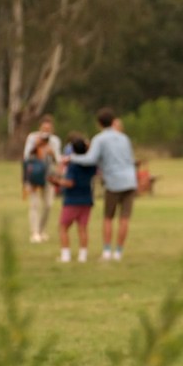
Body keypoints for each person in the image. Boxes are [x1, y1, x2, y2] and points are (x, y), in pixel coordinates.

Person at [64, 107, 137, 261]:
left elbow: (90, 159)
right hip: (130, 180)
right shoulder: (124, 138)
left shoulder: (100, 139)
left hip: (113, 182)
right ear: (113, 121)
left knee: (108, 217)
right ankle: (118, 253)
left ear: (99, 123)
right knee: (124, 218)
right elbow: (130, 159)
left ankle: (107, 252)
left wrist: (71, 158)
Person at [51, 135, 96, 263]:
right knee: (82, 228)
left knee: (63, 227)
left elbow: (70, 183)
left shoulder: (73, 165)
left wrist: (57, 181)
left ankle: (65, 255)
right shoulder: (91, 165)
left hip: (72, 200)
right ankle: (83, 256)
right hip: (87, 199)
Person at [22, 115, 62, 243]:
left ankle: (41, 230)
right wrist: (36, 145)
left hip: (49, 175)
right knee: (34, 204)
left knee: (48, 205)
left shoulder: (55, 141)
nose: (46, 132)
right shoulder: (32, 137)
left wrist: (52, 153)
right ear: (40, 128)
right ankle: (34, 233)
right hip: (34, 174)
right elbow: (26, 157)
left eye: (48, 129)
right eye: (44, 129)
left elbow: (59, 160)